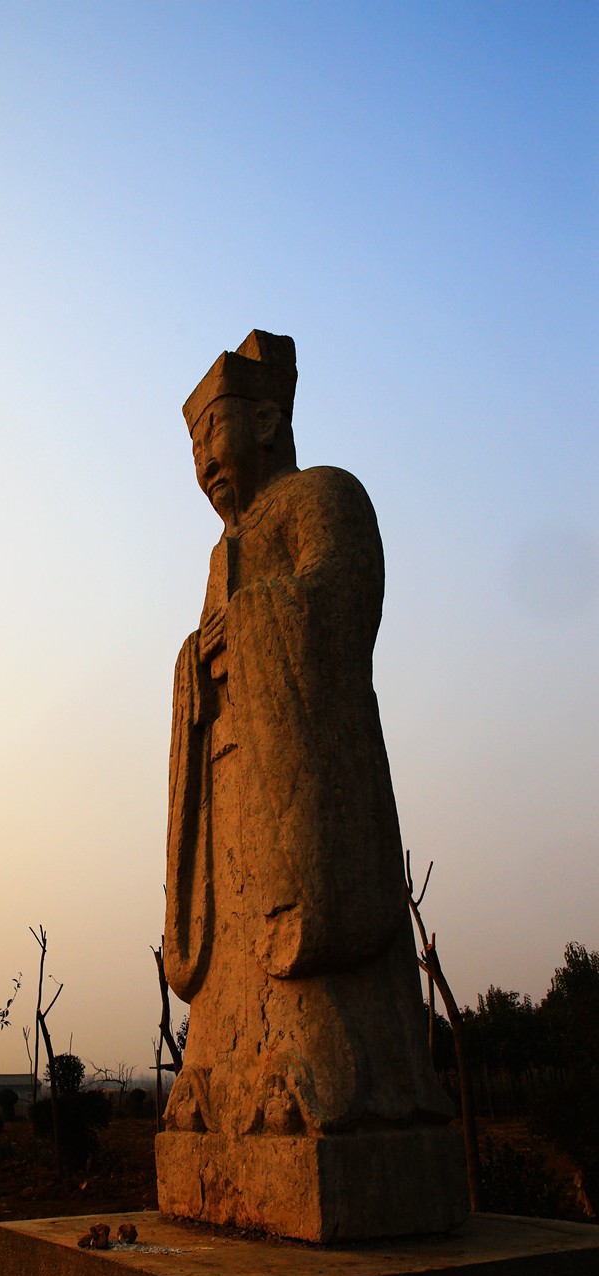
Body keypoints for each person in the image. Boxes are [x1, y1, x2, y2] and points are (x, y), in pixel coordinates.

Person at [162, 331, 452, 1143]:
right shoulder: (221, 555)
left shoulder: (325, 494)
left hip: (302, 772)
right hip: (229, 776)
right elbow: (208, 649)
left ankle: (329, 1076)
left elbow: (343, 602)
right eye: (191, 446)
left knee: (297, 938)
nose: (203, 460)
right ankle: (222, 1077)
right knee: (234, 943)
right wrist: (199, 658)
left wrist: (255, 624)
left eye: (211, 429)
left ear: (265, 421)